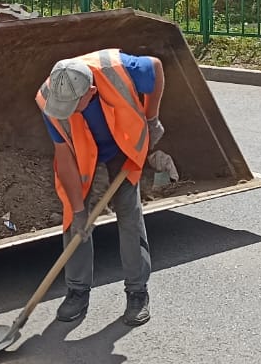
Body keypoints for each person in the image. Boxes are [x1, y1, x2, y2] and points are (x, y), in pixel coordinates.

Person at [37, 49, 165, 327]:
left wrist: (151, 117)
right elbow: (64, 156)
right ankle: (77, 291)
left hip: (122, 146)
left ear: (90, 92)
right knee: (75, 220)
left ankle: (137, 292)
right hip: (84, 155)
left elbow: (155, 68)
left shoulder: (120, 69)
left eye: (74, 104)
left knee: (129, 215)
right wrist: (80, 209)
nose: (66, 110)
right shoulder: (51, 97)